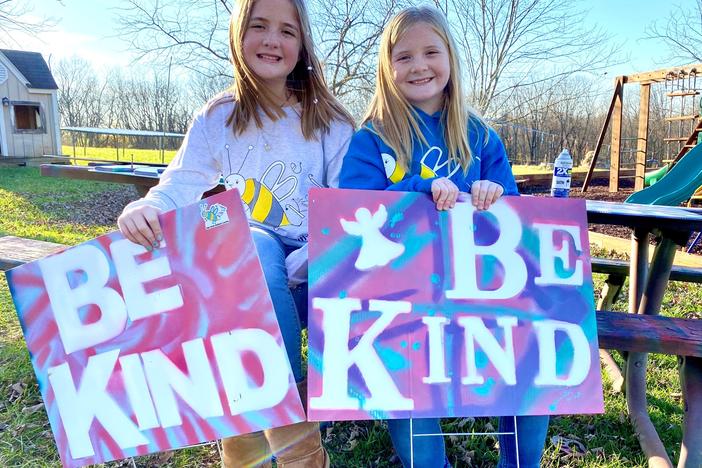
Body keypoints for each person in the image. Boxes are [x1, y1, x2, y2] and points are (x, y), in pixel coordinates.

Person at [117, 0, 354, 465]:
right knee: (251, 243)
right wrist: (145, 207)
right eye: (259, 26)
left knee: (263, 261)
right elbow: (180, 185)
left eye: (287, 30)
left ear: (302, 44)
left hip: (317, 267)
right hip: (250, 268)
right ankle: (296, 451)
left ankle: (251, 441)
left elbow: (345, 208)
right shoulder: (218, 117)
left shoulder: (330, 120)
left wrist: (306, 260)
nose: (272, 39)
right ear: (238, 36)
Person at [338, 6, 548, 468]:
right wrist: (418, 190)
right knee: (405, 376)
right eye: (404, 56)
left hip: (479, 292)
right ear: (386, 68)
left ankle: (520, 463)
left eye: (431, 51)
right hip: (403, 298)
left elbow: (516, 219)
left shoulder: (481, 136)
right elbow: (352, 209)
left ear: (450, 58)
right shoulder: (372, 138)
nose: (419, 65)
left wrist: (492, 194)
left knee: (530, 349)